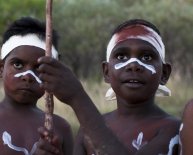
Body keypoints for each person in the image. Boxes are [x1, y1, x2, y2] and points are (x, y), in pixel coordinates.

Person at [37, 19, 181, 155]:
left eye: (147, 57)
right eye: (122, 56)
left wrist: (77, 98)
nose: (133, 65)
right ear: (106, 72)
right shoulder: (87, 130)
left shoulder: (174, 130)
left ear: (164, 73)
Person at [0, 17, 73, 155]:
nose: (27, 76)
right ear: (1, 69)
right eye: (18, 65)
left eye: (39, 67)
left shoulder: (60, 128)